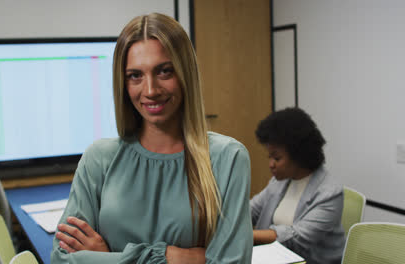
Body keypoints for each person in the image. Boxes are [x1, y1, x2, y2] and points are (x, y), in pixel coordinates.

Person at [51, 13, 253, 264]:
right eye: (135, 75)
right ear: (123, 83)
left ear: (185, 74)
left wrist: (107, 259)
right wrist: (172, 256)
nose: (150, 90)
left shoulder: (228, 158)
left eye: (164, 71)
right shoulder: (99, 158)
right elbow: (61, 259)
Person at [250, 107, 345, 264]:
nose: (271, 164)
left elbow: (297, 238)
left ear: (300, 155)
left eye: (277, 158)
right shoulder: (280, 181)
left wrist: (246, 235)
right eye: (269, 157)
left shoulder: (330, 193)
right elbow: (252, 209)